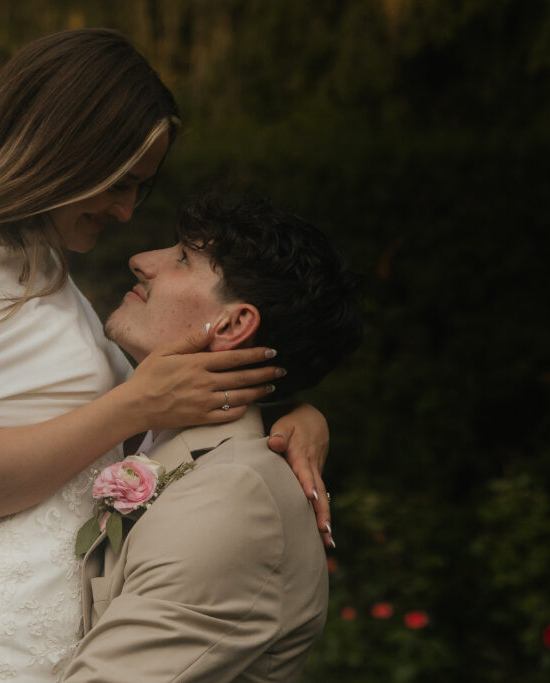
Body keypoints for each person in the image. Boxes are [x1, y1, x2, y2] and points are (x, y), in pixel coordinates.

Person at [0, 29, 333, 681]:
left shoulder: (41, 274)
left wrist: (291, 409)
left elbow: (137, 422)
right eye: (119, 183)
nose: (125, 212)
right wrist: (133, 403)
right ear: (61, 151)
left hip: (29, 630)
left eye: (141, 187)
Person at [63, 193, 362, 682]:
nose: (141, 261)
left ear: (234, 324)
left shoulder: (235, 496)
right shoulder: (145, 431)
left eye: (183, 257)